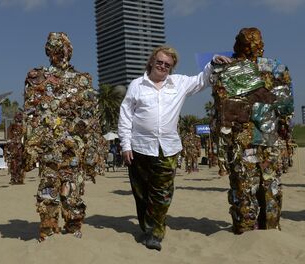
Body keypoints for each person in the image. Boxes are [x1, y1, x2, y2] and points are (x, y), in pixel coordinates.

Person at [118, 45, 231, 251]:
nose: (163, 66)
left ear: (172, 67)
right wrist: (125, 144)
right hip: (139, 147)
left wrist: (213, 61)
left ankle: (155, 233)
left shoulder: (179, 83)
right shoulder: (137, 85)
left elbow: (201, 80)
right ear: (152, 61)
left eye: (167, 64)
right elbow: (125, 116)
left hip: (168, 147)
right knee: (141, 192)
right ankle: (147, 226)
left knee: (162, 193)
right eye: (160, 62)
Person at [210, 27, 293, 234]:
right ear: (261, 45)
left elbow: (222, 110)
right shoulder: (277, 68)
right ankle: (270, 227)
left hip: (240, 139)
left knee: (243, 186)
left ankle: (245, 228)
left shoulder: (225, 70)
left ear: (237, 46)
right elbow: (286, 108)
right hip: (269, 137)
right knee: (270, 185)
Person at [24, 32, 100, 242]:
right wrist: (30, 147)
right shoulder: (36, 77)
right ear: (48, 51)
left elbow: (91, 118)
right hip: (48, 145)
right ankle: (48, 227)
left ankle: (73, 224)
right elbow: (30, 114)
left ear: (70, 50)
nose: (59, 51)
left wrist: (93, 150)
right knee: (48, 187)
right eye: (54, 47)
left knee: (72, 189)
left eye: (63, 46)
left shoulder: (82, 80)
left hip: (73, 147)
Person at [6, 112, 25, 185]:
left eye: (20, 118)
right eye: (18, 118)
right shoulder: (12, 126)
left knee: (20, 163)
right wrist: (10, 142)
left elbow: (25, 136)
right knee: (13, 163)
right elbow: (9, 135)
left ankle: (19, 178)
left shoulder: (23, 127)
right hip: (13, 147)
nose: (19, 119)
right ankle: (13, 178)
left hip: (20, 147)